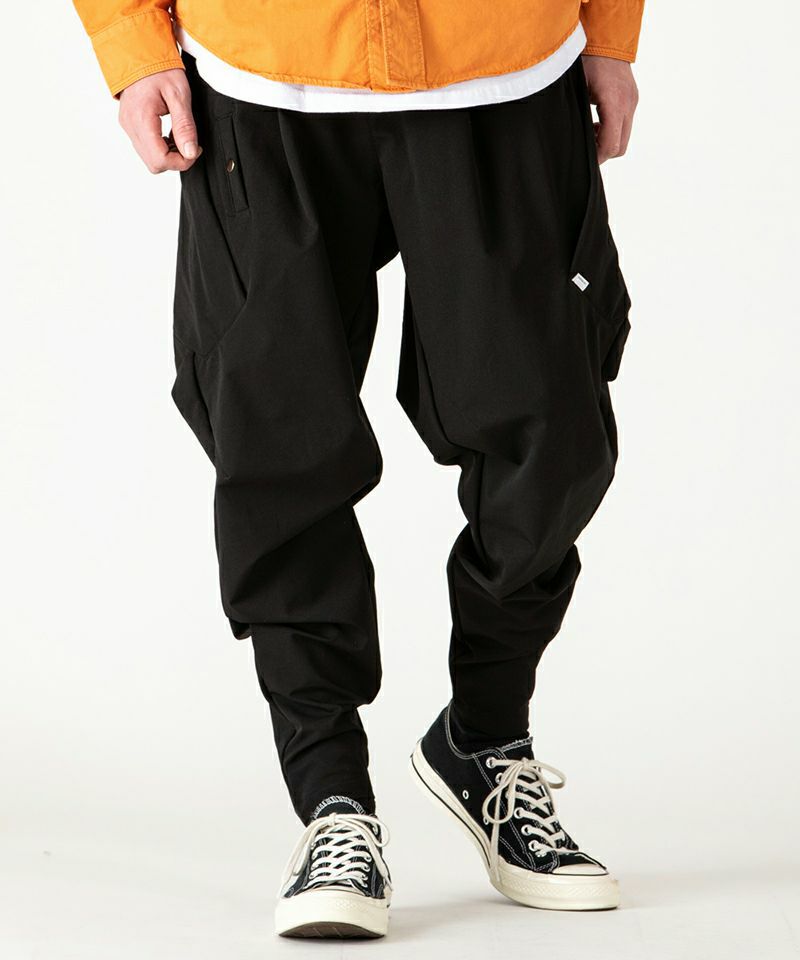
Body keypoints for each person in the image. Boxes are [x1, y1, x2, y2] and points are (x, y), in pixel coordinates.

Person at [73, 0, 644, 939]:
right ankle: (333, 800)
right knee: (277, 446)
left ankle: (486, 739)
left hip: (504, 53)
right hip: (264, 63)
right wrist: (132, 43)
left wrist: (611, 35)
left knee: (551, 432)